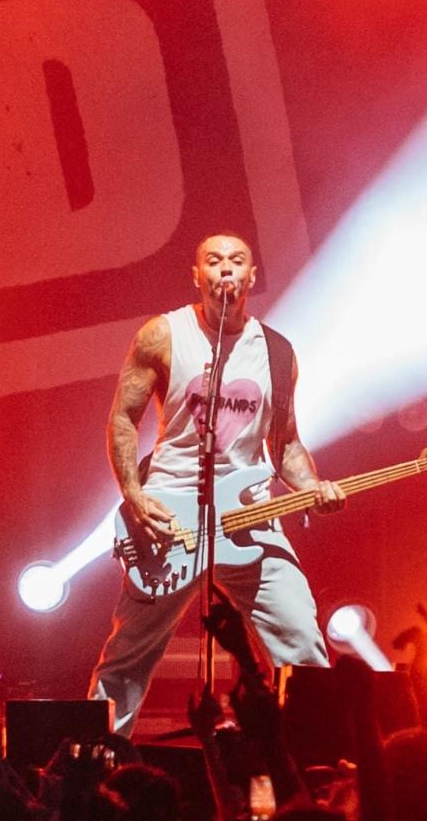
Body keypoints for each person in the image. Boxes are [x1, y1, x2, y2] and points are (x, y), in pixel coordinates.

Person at [92, 229, 340, 732]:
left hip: (249, 516)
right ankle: (93, 765)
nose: (225, 268)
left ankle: (313, 759)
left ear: (251, 276)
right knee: (128, 660)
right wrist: (135, 497)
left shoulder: (277, 352)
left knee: (301, 642)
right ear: (197, 275)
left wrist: (311, 486)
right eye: (213, 260)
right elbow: (123, 418)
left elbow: (286, 442)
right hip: (171, 515)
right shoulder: (163, 335)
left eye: (236, 261)